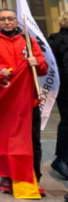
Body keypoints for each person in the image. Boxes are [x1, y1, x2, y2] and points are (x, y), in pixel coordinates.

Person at [0, 9, 47, 195]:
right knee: (6, 139)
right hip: (5, 100)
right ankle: (7, 176)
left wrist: (36, 63)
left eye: (10, 19)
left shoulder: (29, 41)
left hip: (29, 99)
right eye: (3, 19)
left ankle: (34, 178)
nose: (7, 22)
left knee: (33, 140)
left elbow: (43, 67)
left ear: (17, 21)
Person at [49, 12, 68, 179]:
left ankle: (62, 158)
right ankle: (62, 159)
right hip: (66, 87)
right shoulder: (62, 40)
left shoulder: (54, 38)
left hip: (61, 87)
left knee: (65, 122)